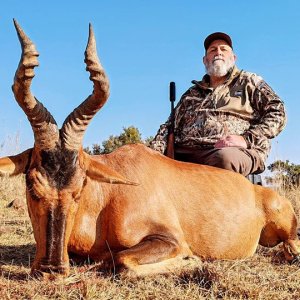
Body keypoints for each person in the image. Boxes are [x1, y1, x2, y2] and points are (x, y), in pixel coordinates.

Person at [150, 32, 286, 176]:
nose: (218, 53)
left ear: (233, 58)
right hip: (187, 153)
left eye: (224, 49)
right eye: (213, 50)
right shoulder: (191, 94)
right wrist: (151, 154)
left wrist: (246, 139)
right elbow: (168, 127)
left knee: (223, 159)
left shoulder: (249, 81)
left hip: (232, 151)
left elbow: (278, 112)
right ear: (205, 60)